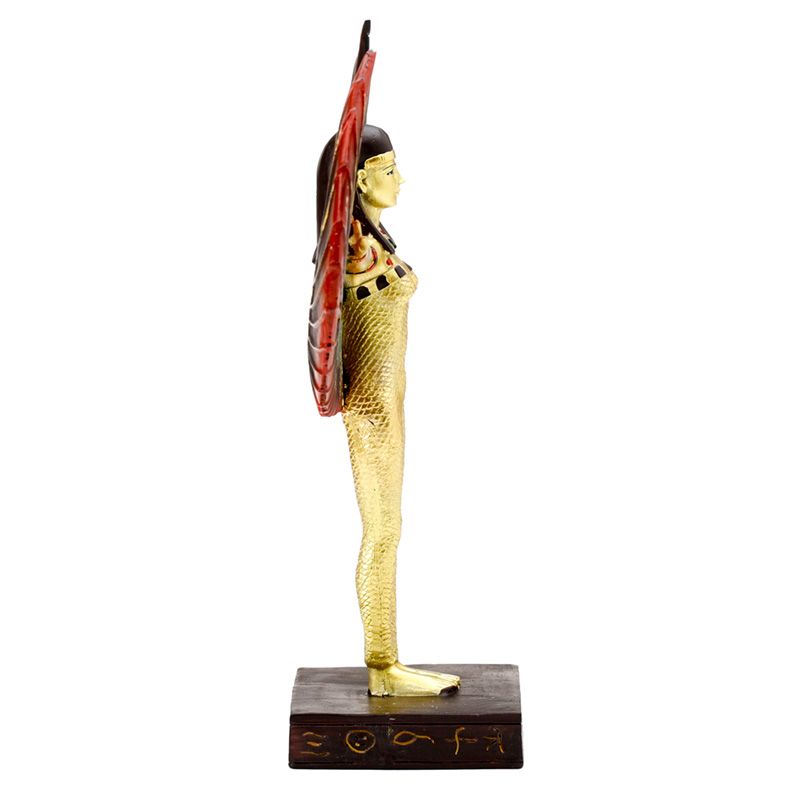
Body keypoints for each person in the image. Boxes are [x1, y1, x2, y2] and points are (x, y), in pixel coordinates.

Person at [315, 125, 461, 696]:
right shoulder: (356, 250)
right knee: (382, 532)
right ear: (358, 180)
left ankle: (388, 664)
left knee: (387, 529)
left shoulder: (373, 241)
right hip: (372, 412)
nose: (401, 180)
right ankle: (383, 666)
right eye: (389, 170)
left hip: (390, 405)